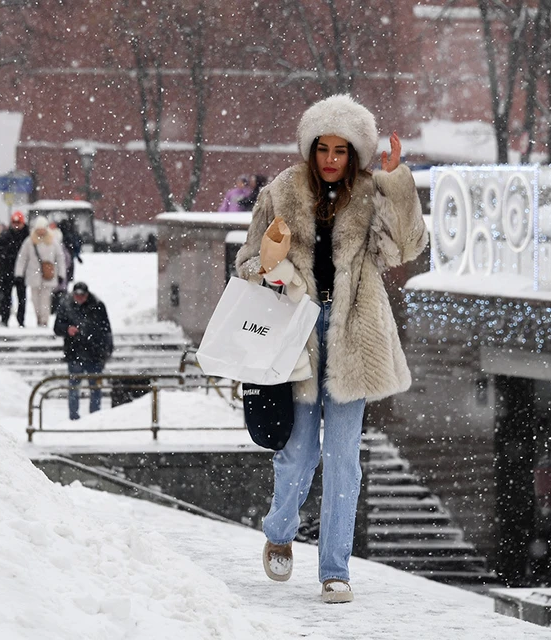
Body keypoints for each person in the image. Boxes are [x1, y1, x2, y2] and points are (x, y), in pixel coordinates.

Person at [234, 94, 427, 604]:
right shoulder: (280, 192)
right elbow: (246, 262)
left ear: (356, 153)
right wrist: (273, 269)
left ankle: (334, 569)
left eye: (342, 150)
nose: (332, 159)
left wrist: (395, 183)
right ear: (311, 148)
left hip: (353, 336)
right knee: (299, 454)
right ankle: (279, 530)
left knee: (344, 459)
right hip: (297, 335)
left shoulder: (370, 193)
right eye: (324, 148)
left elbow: (404, 249)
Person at [53, 281, 113, 420]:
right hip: (75, 352)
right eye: (77, 295)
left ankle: (95, 416)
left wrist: (106, 350)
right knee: (74, 387)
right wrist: (67, 329)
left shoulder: (97, 305)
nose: (79, 298)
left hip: (94, 352)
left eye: (82, 295)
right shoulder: (66, 305)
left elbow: (106, 329)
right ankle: (74, 416)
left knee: (95, 387)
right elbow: (57, 327)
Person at [14, 217, 67, 327]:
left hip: (48, 275)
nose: (41, 231)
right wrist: (19, 273)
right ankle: (39, 317)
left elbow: (60, 258)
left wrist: (61, 274)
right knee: (35, 300)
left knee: (45, 299)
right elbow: (22, 258)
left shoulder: (53, 241)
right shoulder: (29, 241)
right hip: (33, 275)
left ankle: (44, 320)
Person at [0, 211, 30, 327]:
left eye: (18, 222)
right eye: (14, 222)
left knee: (22, 297)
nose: (16, 225)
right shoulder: (5, 235)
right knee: (5, 297)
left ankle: (21, 320)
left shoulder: (27, 236)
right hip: (6, 270)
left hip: (22, 271)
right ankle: (4, 318)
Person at [57, 219, 83, 283]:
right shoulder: (72, 233)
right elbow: (76, 245)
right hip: (69, 256)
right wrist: (77, 255)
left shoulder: (59, 233)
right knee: (68, 274)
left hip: (61, 257)